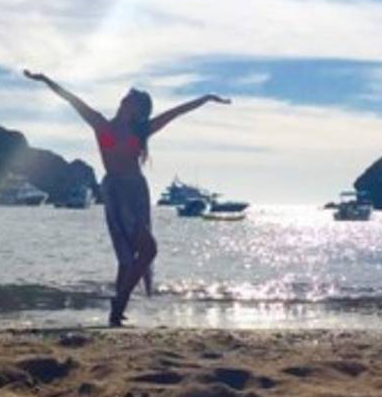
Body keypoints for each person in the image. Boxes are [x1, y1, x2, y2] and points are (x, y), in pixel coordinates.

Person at [24, 69, 231, 326]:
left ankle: (117, 309)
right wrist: (45, 80)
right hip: (116, 192)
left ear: (138, 110)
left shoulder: (141, 130)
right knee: (136, 251)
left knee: (139, 252)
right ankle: (119, 302)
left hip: (137, 191)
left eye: (131, 99)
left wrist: (206, 98)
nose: (125, 99)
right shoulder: (102, 125)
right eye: (126, 97)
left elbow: (175, 113)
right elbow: (72, 100)